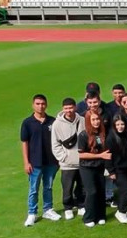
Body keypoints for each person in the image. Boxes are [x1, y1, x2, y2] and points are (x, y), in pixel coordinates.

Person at [21, 94, 60, 226]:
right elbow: (24, 143)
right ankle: (32, 213)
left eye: (43, 103)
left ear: (46, 105)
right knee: (33, 188)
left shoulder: (52, 121)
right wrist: (26, 162)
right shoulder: (27, 123)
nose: (40, 106)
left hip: (51, 161)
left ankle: (48, 209)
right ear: (33, 105)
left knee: (48, 187)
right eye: (37, 104)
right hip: (35, 162)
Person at [51, 97, 84, 220]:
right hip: (67, 164)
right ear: (62, 109)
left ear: (75, 107)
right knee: (67, 188)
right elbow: (55, 144)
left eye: (70, 108)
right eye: (66, 108)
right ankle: (68, 208)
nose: (68, 110)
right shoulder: (57, 124)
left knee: (82, 186)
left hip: (82, 162)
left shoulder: (82, 120)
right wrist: (64, 158)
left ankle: (81, 205)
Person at [77, 110, 111, 227]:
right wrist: (100, 156)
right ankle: (88, 217)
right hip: (87, 168)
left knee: (101, 191)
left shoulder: (102, 134)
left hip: (99, 166)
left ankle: (101, 215)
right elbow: (81, 154)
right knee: (92, 192)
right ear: (88, 121)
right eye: (93, 120)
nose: (96, 122)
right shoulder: (83, 135)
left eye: (97, 119)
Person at [105, 114, 127, 224]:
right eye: (117, 124)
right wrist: (111, 171)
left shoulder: (126, 135)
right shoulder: (111, 138)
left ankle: (124, 209)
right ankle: (120, 212)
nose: (120, 126)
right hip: (118, 169)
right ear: (114, 125)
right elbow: (108, 156)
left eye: (122, 124)